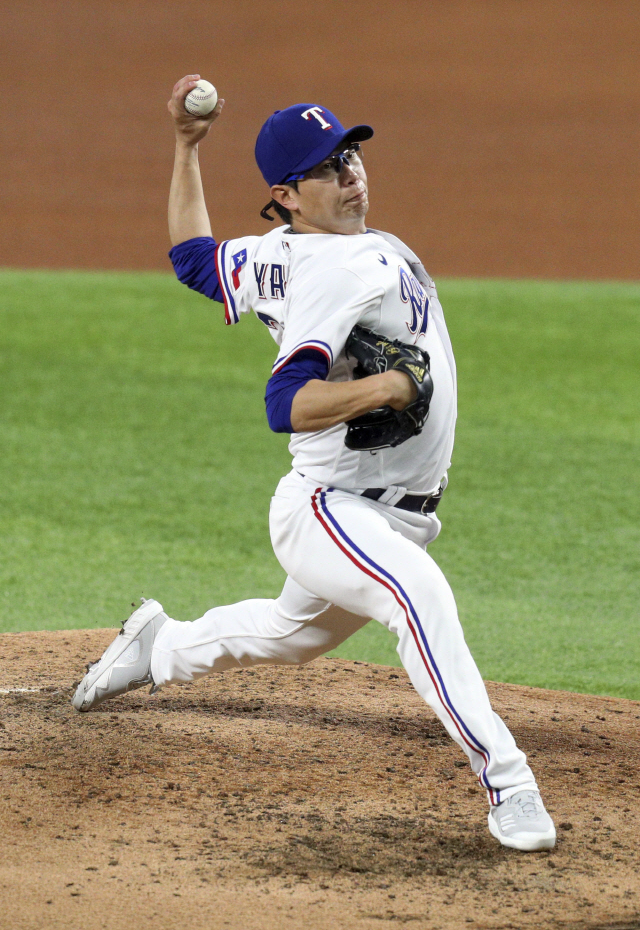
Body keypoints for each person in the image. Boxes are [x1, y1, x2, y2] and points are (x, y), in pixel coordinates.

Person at [72, 74, 556, 853]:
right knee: (417, 596)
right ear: (288, 195)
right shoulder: (336, 270)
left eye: (350, 155)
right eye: (328, 168)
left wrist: (186, 148)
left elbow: (194, 259)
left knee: (288, 632)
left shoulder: (280, 253)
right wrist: (384, 387)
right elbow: (284, 402)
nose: (350, 173)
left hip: (385, 510)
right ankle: (510, 782)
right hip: (330, 506)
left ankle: (157, 644)